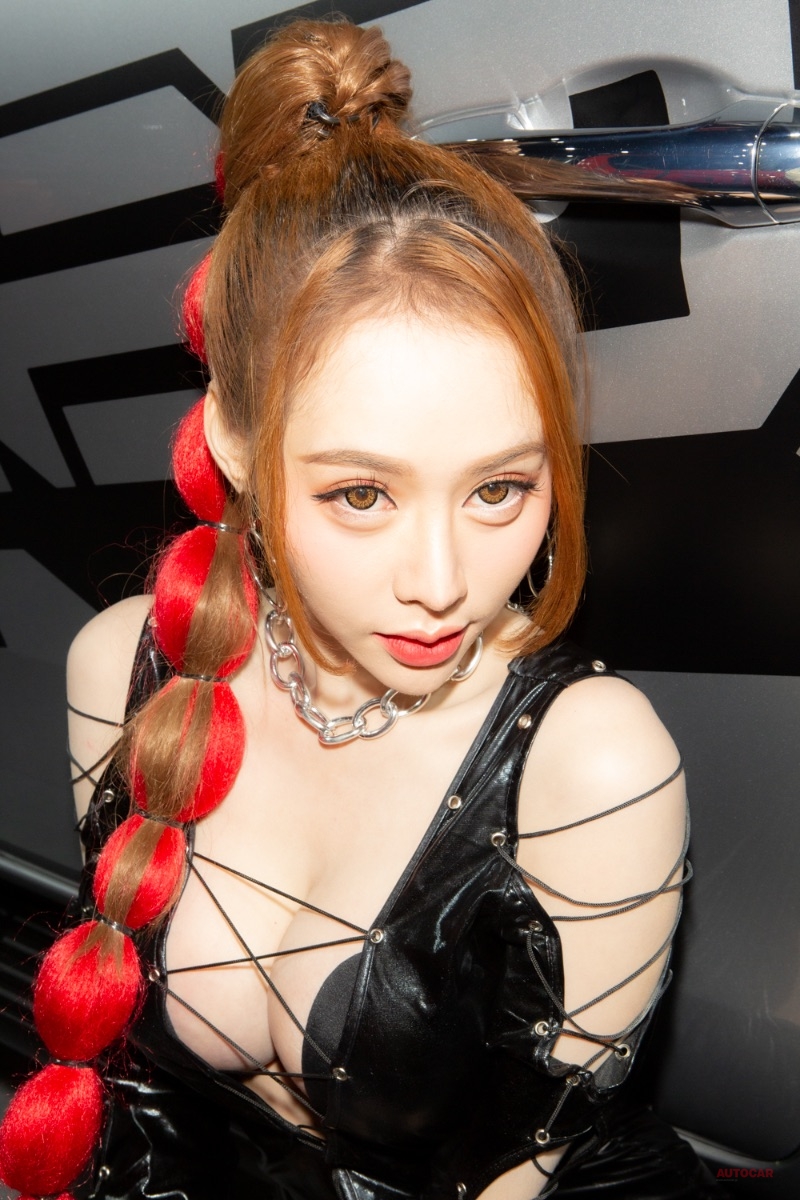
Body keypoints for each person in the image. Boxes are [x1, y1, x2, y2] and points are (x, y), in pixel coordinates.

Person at [0, 18, 721, 1200]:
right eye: (360, 494)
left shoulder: (587, 767)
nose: (441, 580)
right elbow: (137, 1096)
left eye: (499, 488)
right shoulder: (123, 672)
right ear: (235, 444)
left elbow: (523, 1170)